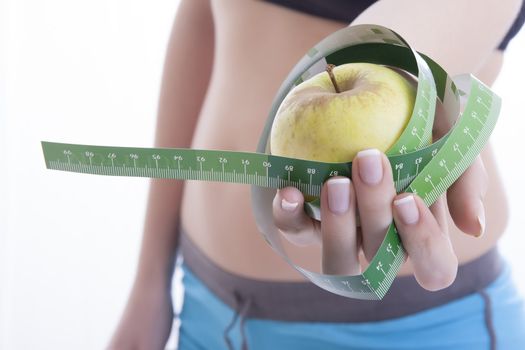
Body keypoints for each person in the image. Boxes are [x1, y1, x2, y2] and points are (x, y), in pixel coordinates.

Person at [108, 0, 525, 349]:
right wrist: (149, 279)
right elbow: (204, 14)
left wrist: (385, 71)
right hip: (202, 306)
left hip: (415, 329)